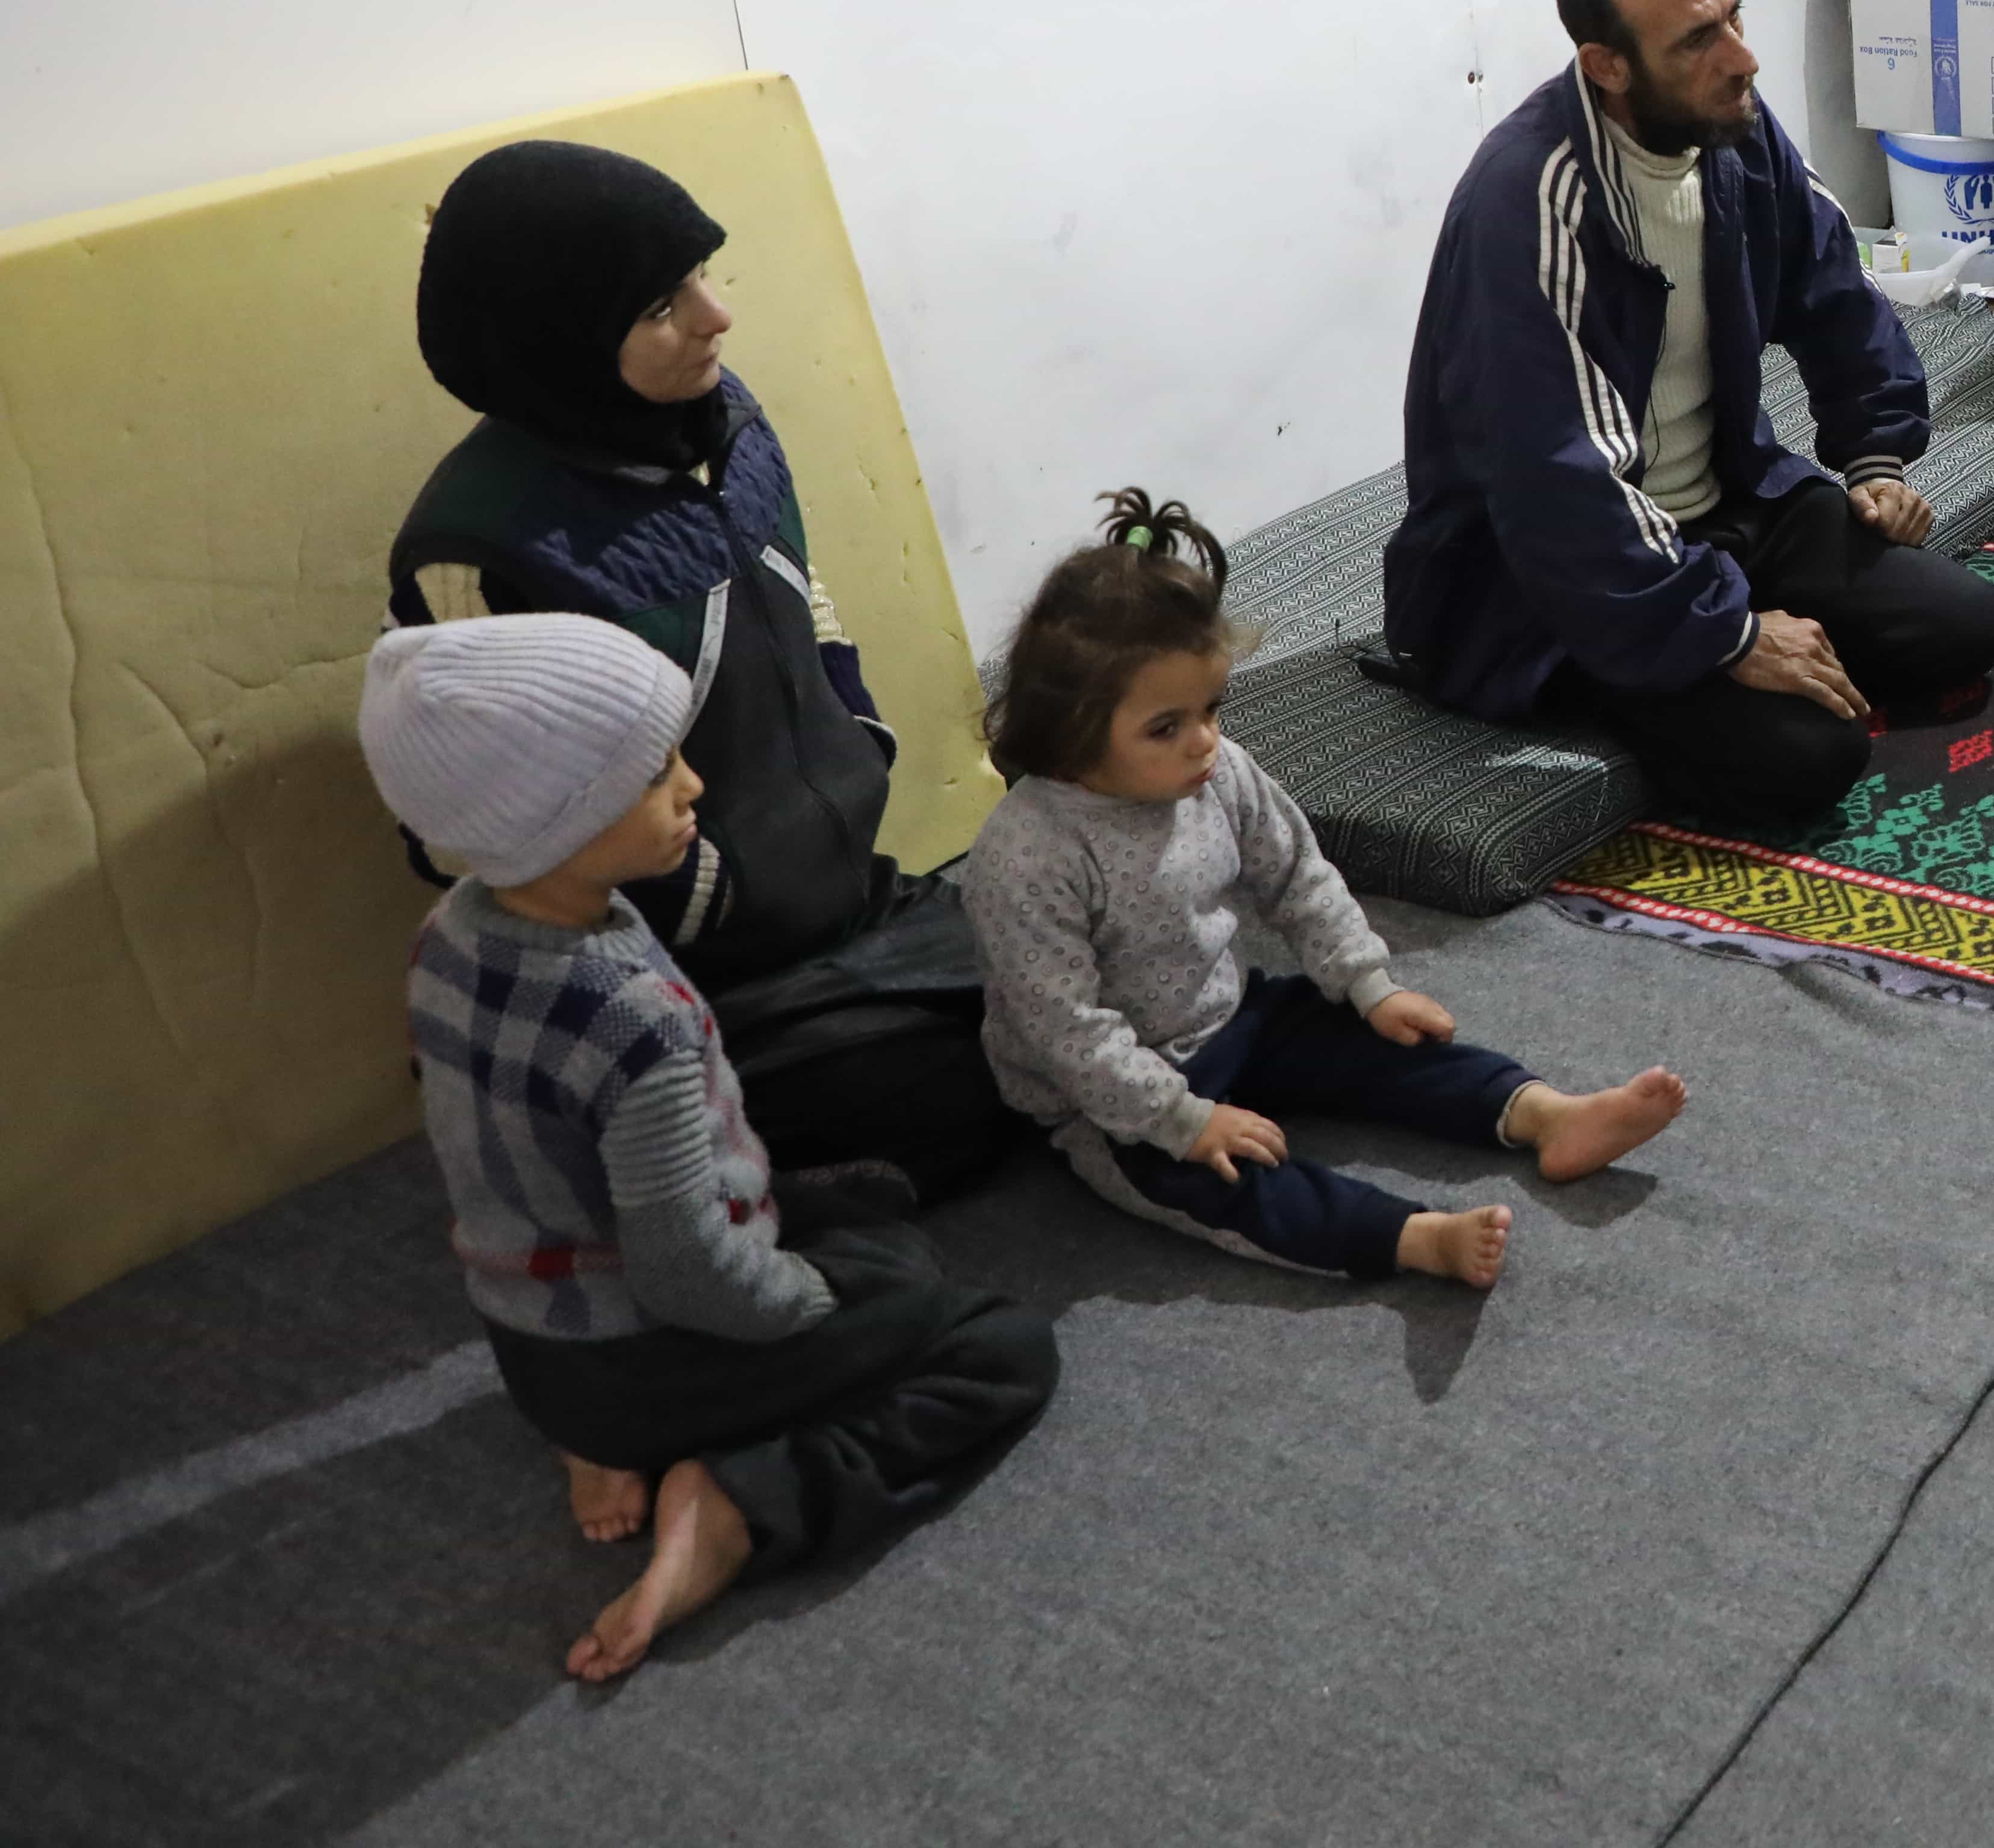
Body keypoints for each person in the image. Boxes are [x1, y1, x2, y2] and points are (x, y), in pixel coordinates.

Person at [357, 616, 1058, 1683]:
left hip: (532, 1337)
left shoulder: (450, 933)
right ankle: (741, 1502)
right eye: (654, 775)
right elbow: (687, 1268)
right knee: (996, 1345)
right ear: (550, 820)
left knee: (874, 1231)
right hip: (647, 1336)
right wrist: (803, 1303)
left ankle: (599, 1443)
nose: (693, 786)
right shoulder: (629, 1014)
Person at [388, 140, 1019, 1205]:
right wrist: (707, 899)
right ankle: (694, 1179)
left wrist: (861, 741)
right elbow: (466, 827)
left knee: (1078, 968)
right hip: (686, 976)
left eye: (700, 277)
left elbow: (811, 606)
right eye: (660, 307)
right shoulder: (478, 543)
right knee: (958, 1091)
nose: (715, 315)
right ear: (560, 342)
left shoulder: (731, 424)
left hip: (853, 902)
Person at [1382, 0, 1994, 824]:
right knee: (1812, 758)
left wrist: (1874, 454)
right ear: (1609, 66)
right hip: (1538, 572)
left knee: (1962, 625)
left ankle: (1701, 641)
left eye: (1735, 18)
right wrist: (1726, 632)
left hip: (1728, 505)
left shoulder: (1733, 131)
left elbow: (1833, 290)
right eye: (1697, 40)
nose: (1741, 58)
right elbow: (1557, 483)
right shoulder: (1529, 200)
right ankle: (1608, 665)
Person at [977, 493, 1689, 1286]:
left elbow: (1296, 875)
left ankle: (1545, 1114)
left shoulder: (1220, 772)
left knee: (1382, 1043)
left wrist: (1367, 983)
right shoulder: (1029, 853)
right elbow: (1069, 1033)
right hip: (1112, 1099)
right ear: (1069, 726)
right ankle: (1412, 1236)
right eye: (1166, 727)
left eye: (1211, 708)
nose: (1206, 740)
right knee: (1214, 1183)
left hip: (1232, 1012)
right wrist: (1185, 1120)